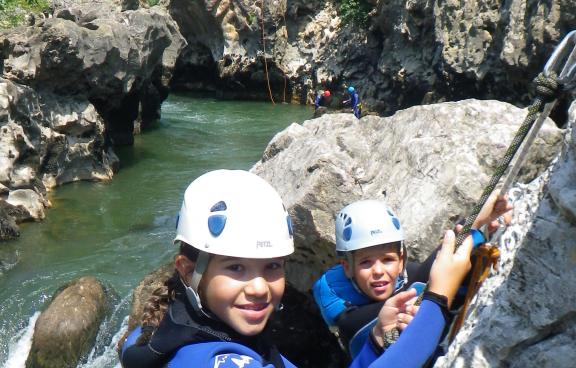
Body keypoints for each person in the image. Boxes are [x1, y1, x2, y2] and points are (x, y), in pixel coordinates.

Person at [119, 169, 477, 368]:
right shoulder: (214, 361)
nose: (259, 287)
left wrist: (375, 342)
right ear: (187, 270)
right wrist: (437, 300)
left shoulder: (184, 335)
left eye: (272, 266)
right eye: (237, 268)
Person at [313, 197, 512, 358]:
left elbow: (453, 290)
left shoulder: (409, 276)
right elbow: (428, 282)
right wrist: (471, 225)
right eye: (366, 262)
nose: (378, 271)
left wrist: (485, 236)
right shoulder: (352, 323)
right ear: (348, 268)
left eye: (387, 259)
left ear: (401, 261)